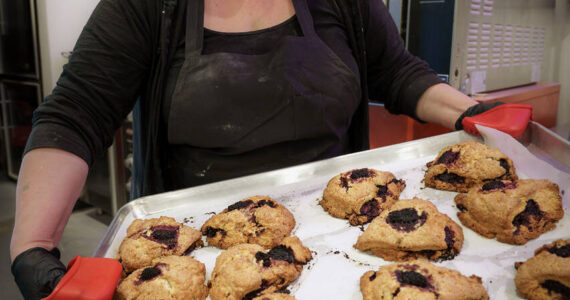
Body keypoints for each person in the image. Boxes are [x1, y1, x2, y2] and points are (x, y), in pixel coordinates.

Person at [10, 0, 501, 299]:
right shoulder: (146, 7)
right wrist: (32, 246)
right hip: (200, 248)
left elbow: (398, 71)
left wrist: (475, 115)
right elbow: (75, 115)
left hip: (335, 236)